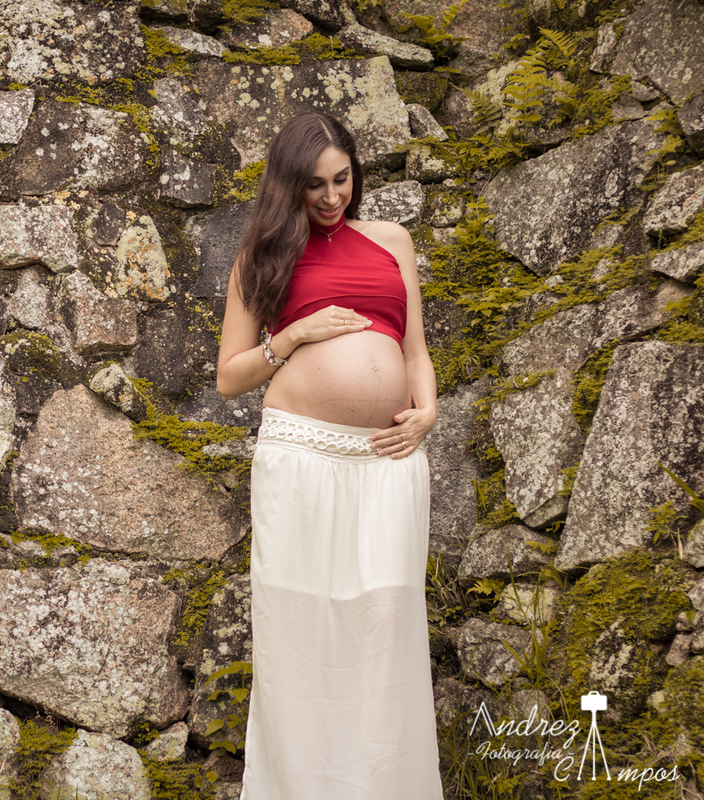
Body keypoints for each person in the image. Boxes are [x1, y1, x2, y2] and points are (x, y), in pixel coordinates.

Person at [216, 112, 443, 798]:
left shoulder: (391, 241)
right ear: (289, 185)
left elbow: (415, 353)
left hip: (390, 459)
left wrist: (428, 410)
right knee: (303, 633)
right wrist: (295, 335)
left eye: (342, 179)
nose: (331, 196)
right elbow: (230, 375)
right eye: (314, 185)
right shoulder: (262, 257)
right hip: (304, 456)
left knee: (386, 626)